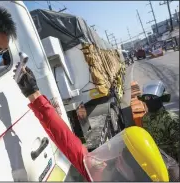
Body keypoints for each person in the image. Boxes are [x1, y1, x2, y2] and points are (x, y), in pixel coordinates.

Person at [13, 64, 170, 182]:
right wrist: (34, 93)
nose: (113, 160)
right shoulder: (102, 173)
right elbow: (67, 141)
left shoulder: (104, 175)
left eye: (122, 159)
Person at [138, 80, 179, 181]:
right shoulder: (145, 118)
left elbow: (178, 146)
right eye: (147, 99)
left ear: (160, 99)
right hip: (154, 161)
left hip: (171, 165)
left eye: (152, 98)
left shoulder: (171, 119)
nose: (149, 102)